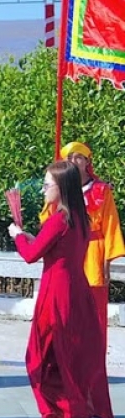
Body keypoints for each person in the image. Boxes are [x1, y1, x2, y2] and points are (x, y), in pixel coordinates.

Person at [10, 161, 113, 418]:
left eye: (47, 185)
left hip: (56, 294)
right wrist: (31, 238)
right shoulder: (80, 217)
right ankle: (71, 417)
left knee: (42, 357)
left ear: (62, 187)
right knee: (66, 354)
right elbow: (51, 247)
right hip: (76, 291)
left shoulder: (59, 219)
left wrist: (18, 236)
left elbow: (30, 255)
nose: (43, 190)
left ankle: (66, 415)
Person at [44, 142, 125, 334]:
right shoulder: (57, 189)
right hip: (66, 253)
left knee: (94, 312)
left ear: (87, 162)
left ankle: (93, 359)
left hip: (92, 254)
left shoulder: (101, 191)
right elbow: (48, 222)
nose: (73, 161)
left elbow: (110, 227)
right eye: (69, 158)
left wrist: (106, 264)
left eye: (78, 157)